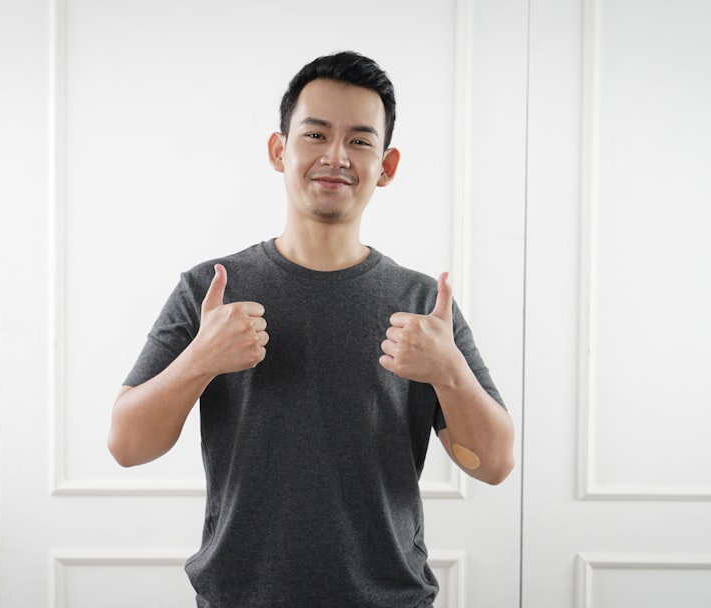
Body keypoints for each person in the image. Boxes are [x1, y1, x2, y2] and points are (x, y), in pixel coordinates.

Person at [108, 50, 515, 608]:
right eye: (316, 134)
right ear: (280, 150)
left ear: (387, 165)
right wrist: (201, 359)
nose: (335, 156)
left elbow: (492, 464)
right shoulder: (210, 290)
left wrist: (450, 374)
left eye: (360, 141)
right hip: (239, 598)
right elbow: (127, 446)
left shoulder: (423, 304)